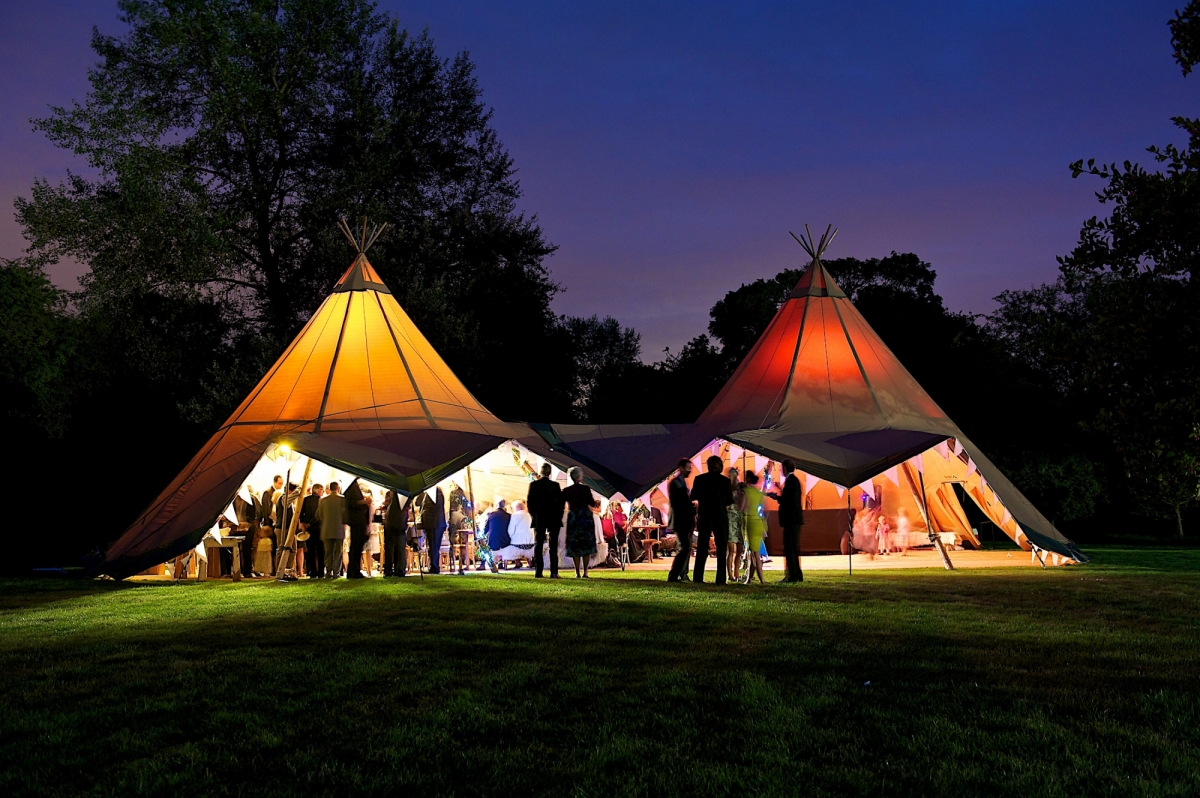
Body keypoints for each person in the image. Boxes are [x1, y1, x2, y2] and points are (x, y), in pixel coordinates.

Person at [690, 456, 734, 585]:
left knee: (702, 548)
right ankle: (720, 579)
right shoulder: (725, 481)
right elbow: (729, 501)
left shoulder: (700, 479)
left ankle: (698, 577)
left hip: (705, 516)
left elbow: (693, 496)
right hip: (720, 516)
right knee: (721, 549)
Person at [527, 463, 565, 578]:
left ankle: (538, 572)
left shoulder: (534, 485)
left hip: (540, 517)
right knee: (553, 545)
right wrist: (559, 515)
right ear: (550, 473)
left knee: (538, 544)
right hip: (553, 517)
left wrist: (534, 515)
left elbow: (530, 502)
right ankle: (554, 572)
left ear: (541, 472)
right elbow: (560, 503)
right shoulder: (555, 485)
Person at [770, 459, 805, 583]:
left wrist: (777, 498)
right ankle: (796, 574)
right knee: (793, 548)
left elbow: (789, 501)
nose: (781, 470)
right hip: (794, 519)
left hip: (791, 520)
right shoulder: (793, 481)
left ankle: (792, 575)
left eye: (781, 468)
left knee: (790, 548)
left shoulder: (791, 481)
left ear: (785, 468)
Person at [562, 467, 599, 578]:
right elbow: (592, 503)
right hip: (585, 517)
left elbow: (562, 503)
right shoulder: (586, 489)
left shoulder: (567, 490)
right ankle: (585, 572)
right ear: (579, 477)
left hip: (573, 517)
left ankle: (577, 572)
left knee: (575, 545)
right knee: (586, 544)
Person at [667, 459, 696, 583]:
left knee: (686, 547)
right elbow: (680, 503)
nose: (690, 470)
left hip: (683, 520)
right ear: (681, 468)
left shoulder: (680, 483)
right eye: (688, 467)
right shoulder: (677, 484)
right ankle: (674, 574)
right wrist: (692, 505)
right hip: (681, 520)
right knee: (684, 547)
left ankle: (682, 574)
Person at [742, 472, 767, 585]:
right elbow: (761, 508)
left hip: (750, 522)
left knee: (754, 553)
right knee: (752, 551)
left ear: (747, 479)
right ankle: (749, 579)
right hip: (759, 522)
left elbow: (743, 507)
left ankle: (762, 580)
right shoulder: (758, 493)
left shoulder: (746, 492)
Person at [317, 482, 346, 578]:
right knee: (338, 551)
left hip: (326, 528)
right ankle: (336, 572)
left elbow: (319, 515)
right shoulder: (342, 499)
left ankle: (328, 571)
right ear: (338, 488)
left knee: (328, 551)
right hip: (339, 528)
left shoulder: (323, 500)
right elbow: (345, 513)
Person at [344, 480, 370, 579]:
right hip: (357, 521)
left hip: (358, 520)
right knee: (356, 546)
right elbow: (350, 503)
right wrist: (363, 502)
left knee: (357, 546)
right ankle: (354, 571)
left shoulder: (352, 487)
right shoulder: (351, 488)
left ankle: (353, 570)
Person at [418, 487, 447, 574]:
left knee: (433, 546)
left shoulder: (427, 494)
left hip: (432, 523)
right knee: (435, 546)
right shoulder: (439, 493)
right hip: (439, 523)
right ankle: (434, 566)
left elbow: (417, 502)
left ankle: (434, 567)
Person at [382, 490, 410, 576]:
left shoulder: (394, 491)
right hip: (400, 520)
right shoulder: (406, 492)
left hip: (392, 520)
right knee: (400, 546)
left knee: (390, 547)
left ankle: (389, 569)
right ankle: (399, 570)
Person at [300, 483, 325, 578]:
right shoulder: (321, 501)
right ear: (318, 490)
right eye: (322, 490)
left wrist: (304, 523)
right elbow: (318, 515)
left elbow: (301, 513)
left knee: (310, 551)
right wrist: (310, 523)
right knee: (320, 551)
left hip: (308, 529)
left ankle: (312, 571)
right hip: (319, 527)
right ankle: (321, 571)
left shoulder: (306, 500)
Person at [726, 467, 744, 582]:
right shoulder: (726, 489)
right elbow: (726, 506)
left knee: (739, 549)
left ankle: (736, 573)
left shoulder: (741, 489)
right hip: (730, 519)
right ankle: (730, 574)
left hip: (738, 519)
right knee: (731, 550)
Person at [485, 500, 512, 570]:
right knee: (505, 545)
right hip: (505, 539)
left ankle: (484, 564)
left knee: (488, 545)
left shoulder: (491, 514)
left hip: (493, 538)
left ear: (497, 505)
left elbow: (486, 527)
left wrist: (484, 535)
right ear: (504, 506)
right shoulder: (508, 516)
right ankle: (501, 563)